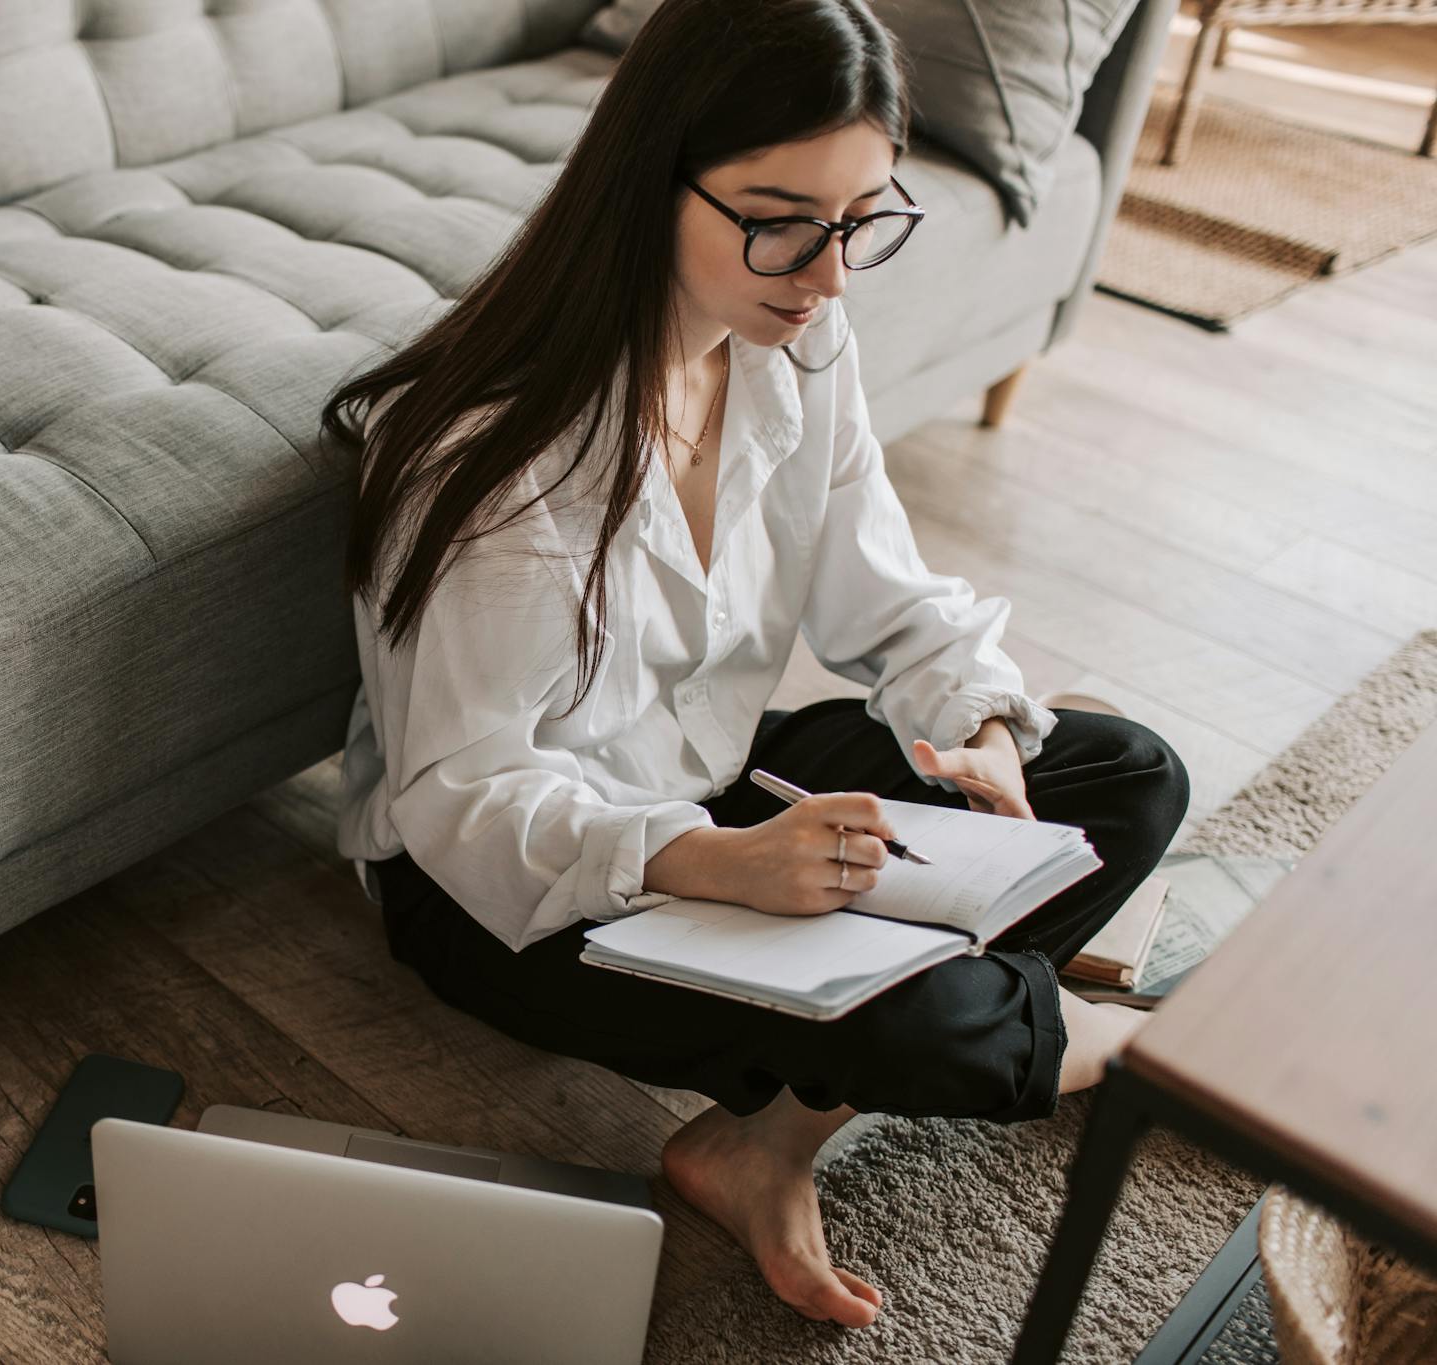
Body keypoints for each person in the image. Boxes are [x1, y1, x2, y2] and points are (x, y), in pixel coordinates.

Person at [317, 0, 1190, 1331]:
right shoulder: (494, 458)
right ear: (650, 177)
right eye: (782, 219)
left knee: (1125, 773)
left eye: (859, 222)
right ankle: (1108, 1036)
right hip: (518, 886)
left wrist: (983, 735)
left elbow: (887, 594)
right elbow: (462, 794)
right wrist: (720, 867)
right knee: (926, 1019)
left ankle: (765, 1138)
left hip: (716, 782)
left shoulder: (792, 340)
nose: (829, 274)